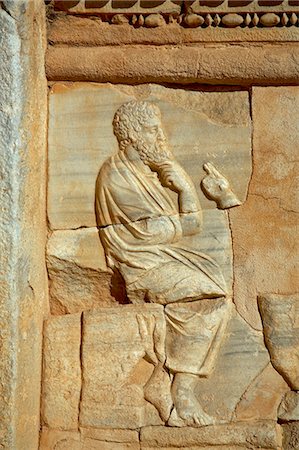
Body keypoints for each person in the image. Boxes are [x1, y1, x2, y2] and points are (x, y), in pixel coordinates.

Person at [95, 100, 232, 426]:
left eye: (159, 128)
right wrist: (183, 189)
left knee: (217, 292)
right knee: (208, 294)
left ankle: (167, 384)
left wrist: (184, 185)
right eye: (152, 130)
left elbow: (191, 226)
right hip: (139, 264)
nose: (160, 136)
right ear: (131, 135)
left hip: (159, 258)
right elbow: (170, 230)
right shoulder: (116, 176)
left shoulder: (150, 173)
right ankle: (181, 393)